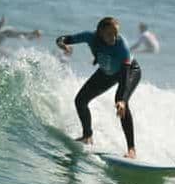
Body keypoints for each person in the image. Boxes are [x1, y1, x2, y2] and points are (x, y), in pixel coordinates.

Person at [56, 17, 141, 158]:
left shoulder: (122, 46)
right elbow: (64, 39)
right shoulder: (90, 37)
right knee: (80, 100)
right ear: (100, 33)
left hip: (129, 71)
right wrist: (62, 44)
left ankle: (131, 149)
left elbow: (125, 78)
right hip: (106, 71)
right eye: (109, 34)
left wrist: (123, 100)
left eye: (116, 33)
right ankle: (87, 136)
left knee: (120, 102)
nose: (113, 37)